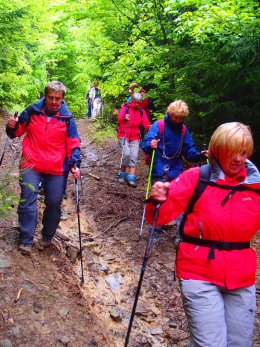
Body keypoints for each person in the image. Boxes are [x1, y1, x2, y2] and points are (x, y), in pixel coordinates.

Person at [146, 122, 260, 347]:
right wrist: (156, 199)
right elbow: (157, 217)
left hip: (241, 275)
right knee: (210, 344)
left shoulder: (254, 187)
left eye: (243, 152)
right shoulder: (196, 178)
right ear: (218, 149)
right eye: (232, 150)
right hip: (199, 271)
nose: (238, 158)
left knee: (240, 343)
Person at [6, 80, 81, 256]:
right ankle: (26, 239)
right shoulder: (32, 111)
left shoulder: (67, 118)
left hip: (56, 166)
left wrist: (74, 163)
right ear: (44, 96)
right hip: (31, 162)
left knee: (54, 202)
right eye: (51, 98)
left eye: (58, 98)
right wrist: (11, 126)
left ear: (63, 99)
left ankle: (47, 236)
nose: (54, 102)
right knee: (28, 196)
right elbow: (15, 133)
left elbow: (73, 143)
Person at [141, 100, 203, 237]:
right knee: (158, 199)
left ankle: (181, 234)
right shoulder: (159, 125)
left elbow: (189, 150)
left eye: (181, 118)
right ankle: (155, 230)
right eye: (176, 117)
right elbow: (145, 143)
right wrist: (150, 144)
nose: (178, 120)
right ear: (170, 113)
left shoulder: (183, 130)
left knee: (180, 201)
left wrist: (200, 155)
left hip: (176, 170)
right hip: (158, 167)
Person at [117, 93, 150, 187]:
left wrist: (150, 127)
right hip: (123, 135)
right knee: (126, 154)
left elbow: (146, 123)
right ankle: (122, 173)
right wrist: (124, 117)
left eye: (139, 103)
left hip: (135, 137)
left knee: (134, 156)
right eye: (135, 103)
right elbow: (119, 119)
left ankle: (131, 177)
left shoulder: (141, 111)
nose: (137, 105)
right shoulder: (125, 108)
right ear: (132, 101)